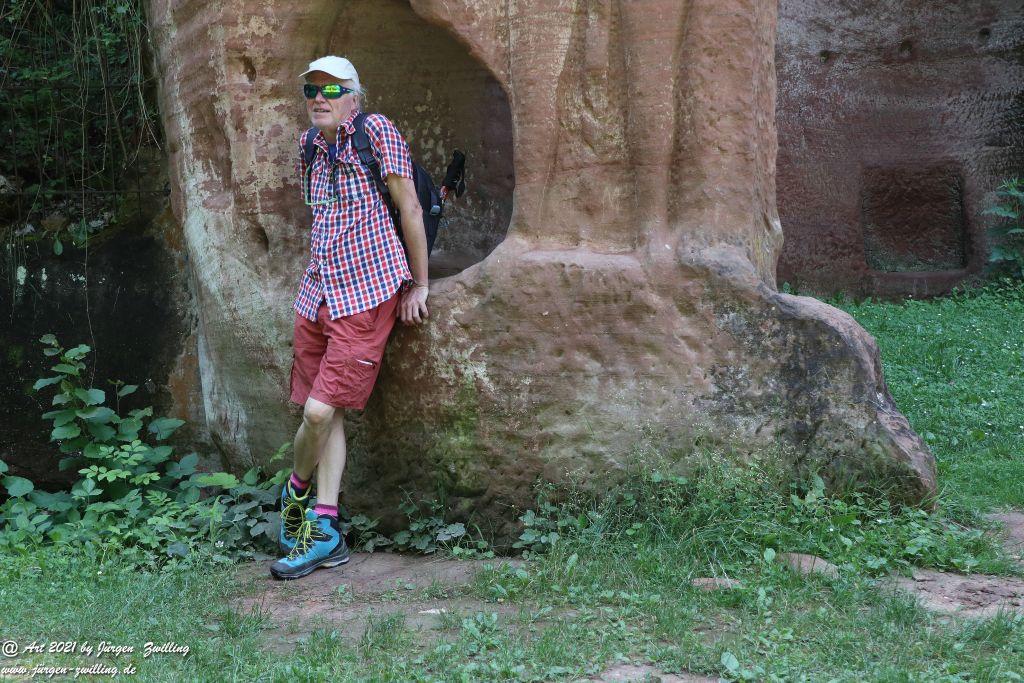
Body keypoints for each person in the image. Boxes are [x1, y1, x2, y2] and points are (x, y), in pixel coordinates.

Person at [270, 56, 429, 580]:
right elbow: (323, 217)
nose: (319, 97)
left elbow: (409, 207)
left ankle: (294, 496)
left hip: (367, 292)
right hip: (318, 293)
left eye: (331, 88)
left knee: (317, 413)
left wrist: (419, 284)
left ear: (354, 96)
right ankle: (327, 528)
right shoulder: (308, 146)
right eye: (311, 90)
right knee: (329, 413)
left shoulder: (376, 131)